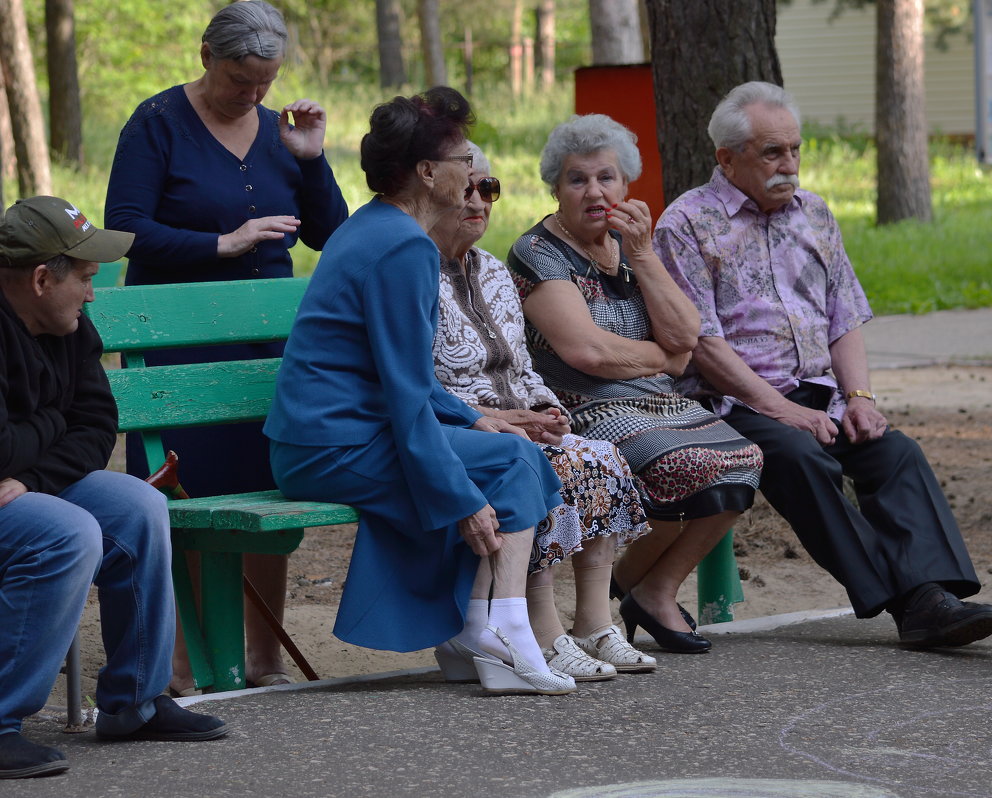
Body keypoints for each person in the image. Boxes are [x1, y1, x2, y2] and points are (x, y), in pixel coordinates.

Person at [653, 81, 992, 648]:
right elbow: (704, 345)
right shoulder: (686, 225)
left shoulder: (814, 214)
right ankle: (914, 603)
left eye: (794, 149)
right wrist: (783, 411)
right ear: (727, 158)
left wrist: (860, 399)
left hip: (820, 393)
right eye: (772, 152)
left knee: (893, 452)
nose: (788, 163)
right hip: (735, 402)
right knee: (799, 457)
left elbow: (844, 316)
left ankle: (932, 593)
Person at [265, 88, 575, 696]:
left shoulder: (378, 228)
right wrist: (459, 497)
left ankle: (472, 632)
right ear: (429, 172)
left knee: (505, 450)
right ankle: (505, 627)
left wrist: (471, 416)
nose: (473, 174)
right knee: (514, 461)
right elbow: (406, 395)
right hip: (330, 448)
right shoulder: (403, 247)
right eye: (463, 160)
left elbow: (403, 377)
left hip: (331, 438)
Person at [104, 0, 349, 692]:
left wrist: (313, 159)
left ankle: (263, 657)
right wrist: (224, 243)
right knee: (186, 490)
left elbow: (330, 233)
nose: (254, 96)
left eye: (265, 82)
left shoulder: (282, 132)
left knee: (265, 484)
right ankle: (180, 660)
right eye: (241, 80)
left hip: (267, 342)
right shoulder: (156, 125)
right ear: (206, 56)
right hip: (176, 341)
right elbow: (123, 229)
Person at [508, 115, 764, 654]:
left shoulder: (633, 246)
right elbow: (587, 351)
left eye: (607, 178)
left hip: (656, 403)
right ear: (556, 188)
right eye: (577, 179)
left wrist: (644, 256)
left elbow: (686, 333)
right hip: (581, 407)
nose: (594, 191)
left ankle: (651, 590)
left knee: (744, 459)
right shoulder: (538, 252)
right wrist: (665, 360)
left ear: (626, 187)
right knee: (683, 466)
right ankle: (615, 603)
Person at [0, 197, 228, 780]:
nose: (93, 293)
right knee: (68, 532)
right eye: (85, 277)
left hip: (22, 487)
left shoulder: (66, 325)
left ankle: (134, 702)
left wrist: (32, 471)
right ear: (41, 277)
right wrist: (54, 425)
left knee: (139, 505)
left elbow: (95, 424)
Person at [430, 141, 656, 679]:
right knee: (552, 466)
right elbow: (422, 384)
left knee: (598, 455)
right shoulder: (419, 274)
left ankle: (595, 625)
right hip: (465, 426)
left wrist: (546, 410)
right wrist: (508, 421)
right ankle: (543, 631)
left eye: (488, 189)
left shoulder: (490, 271)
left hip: (519, 420)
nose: (478, 202)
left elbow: (523, 366)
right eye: (466, 190)